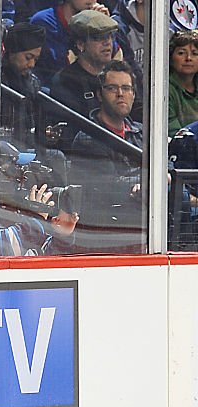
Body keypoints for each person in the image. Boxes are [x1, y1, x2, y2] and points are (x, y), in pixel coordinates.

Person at [68, 59, 144, 253]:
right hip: (107, 231)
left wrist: (163, 177)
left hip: (144, 221)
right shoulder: (88, 137)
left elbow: (167, 164)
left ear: (134, 95)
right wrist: (146, 182)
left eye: (126, 88)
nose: (121, 94)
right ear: (99, 95)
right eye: (112, 88)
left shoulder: (143, 132)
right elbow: (109, 187)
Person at [48, 10, 120, 131]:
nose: (107, 43)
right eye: (98, 38)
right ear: (81, 44)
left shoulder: (117, 77)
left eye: (109, 36)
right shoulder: (65, 81)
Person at [30, 0, 112, 85]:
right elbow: (60, 66)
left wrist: (103, 25)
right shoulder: (44, 22)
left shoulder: (96, 17)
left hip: (92, 86)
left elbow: (113, 60)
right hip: (54, 88)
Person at [169, 30, 198, 135]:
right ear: (171, 58)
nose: (188, 58)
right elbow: (174, 134)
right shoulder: (165, 90)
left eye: (195, 54)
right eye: (181, 53)